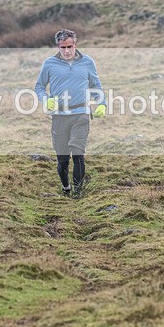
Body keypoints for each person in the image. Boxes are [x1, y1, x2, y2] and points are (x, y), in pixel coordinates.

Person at [34, 29, 106, 199]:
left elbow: (96, 85)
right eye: (63, 47)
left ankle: (78, 192)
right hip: (59, 115)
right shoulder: (49, 64)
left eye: (69, 47)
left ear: (75, 45)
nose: (66, 51)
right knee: (63, 158)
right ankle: (66, 187)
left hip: (81, 113)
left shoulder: (87, 62)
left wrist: (101, 103)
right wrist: (45, 100)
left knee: (78, 152)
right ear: (58, 47)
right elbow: (39, 87)